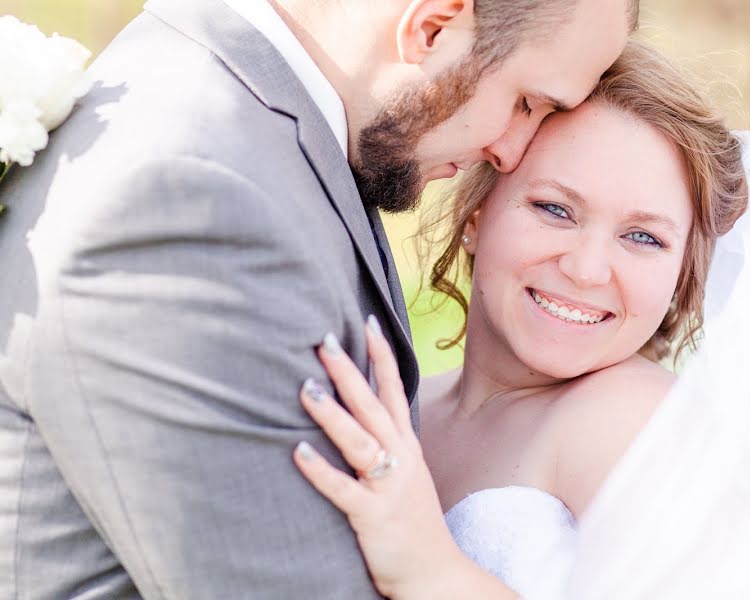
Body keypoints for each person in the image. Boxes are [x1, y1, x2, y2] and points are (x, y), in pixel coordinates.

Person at [0, 0, 635, 597]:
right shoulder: (188, 194)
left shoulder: (261, 138)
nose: (510, 153)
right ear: (433, 26)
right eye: (526, 103)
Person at [291, 41, 750, 599]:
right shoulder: (416, 397)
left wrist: (432, 571)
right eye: (555, 209)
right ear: (477, 214)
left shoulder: (634, 421)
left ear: (683, 272)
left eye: (643, 237)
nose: (586, 269)